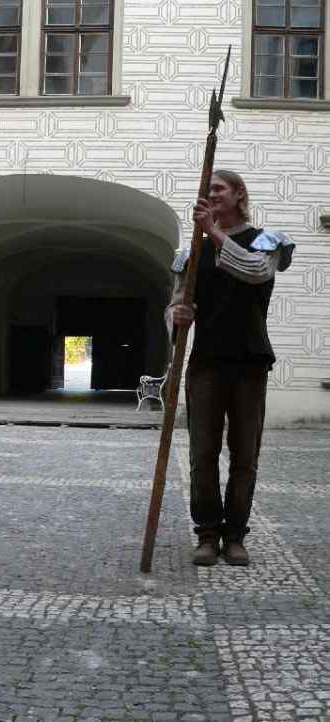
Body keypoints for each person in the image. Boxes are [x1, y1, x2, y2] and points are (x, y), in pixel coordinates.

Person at [166, 169, 294, 567]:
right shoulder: (192, 252)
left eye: (219, 188)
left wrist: (213, 233)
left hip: (250, 361)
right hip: (206, 361)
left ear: (239, 194)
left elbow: (256, 272)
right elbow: (176, 303)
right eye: (208, 190)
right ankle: (207, 533)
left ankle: (235, 534)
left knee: (245, 454)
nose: (212, 194)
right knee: (202, 453)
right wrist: (178, 316)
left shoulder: (267, 241)